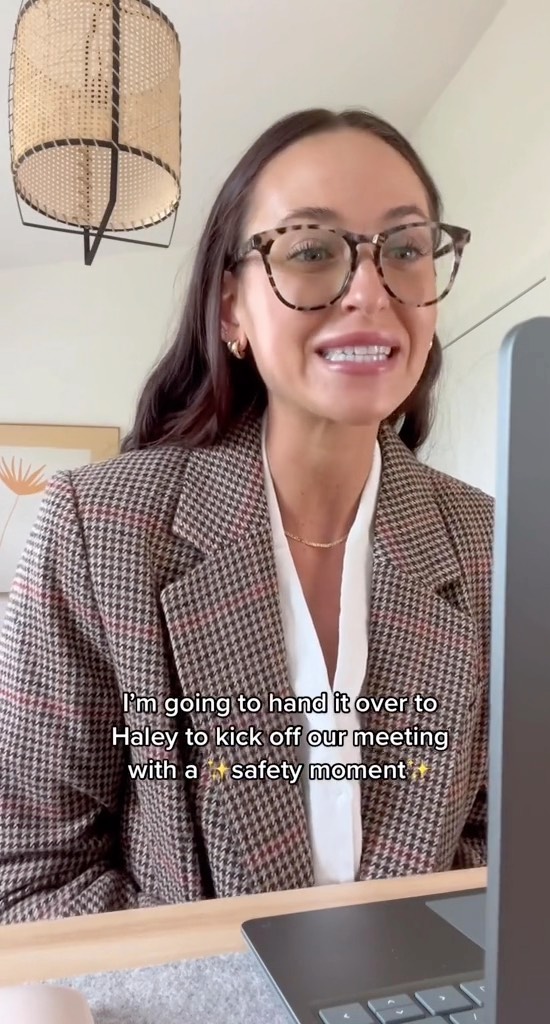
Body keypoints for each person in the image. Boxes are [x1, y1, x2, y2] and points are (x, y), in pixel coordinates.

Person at [0, 107, 493, 924]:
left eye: (406, 249)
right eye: (312, 250)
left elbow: (507, 834)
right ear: (231, 309)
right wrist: (241, 983)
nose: (371, 291)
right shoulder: (98, 530)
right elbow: (29, 874)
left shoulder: (490, 544)